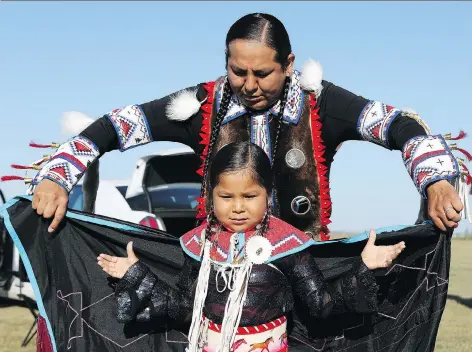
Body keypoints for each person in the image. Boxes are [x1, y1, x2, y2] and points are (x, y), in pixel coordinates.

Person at [6, 12, 469, 241]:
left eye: (262, 73)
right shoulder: (201, 105)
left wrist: (436, 182)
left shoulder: (322, 103)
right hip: (215, 277)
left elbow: (400, 125)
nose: (248, 85)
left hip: (301, 271)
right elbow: (115, 126)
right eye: (237, 71)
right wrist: (56, 176)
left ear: (288, 64)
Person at [96, 141, 406, 352]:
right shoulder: (200, 244)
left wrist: (364, 268)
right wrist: (136, 274)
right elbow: (183, 309)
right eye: (226, 197)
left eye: (250, 196)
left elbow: (322, 306)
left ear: (268, 195)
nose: (238, 207)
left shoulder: (288, 245)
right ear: (210, 195)